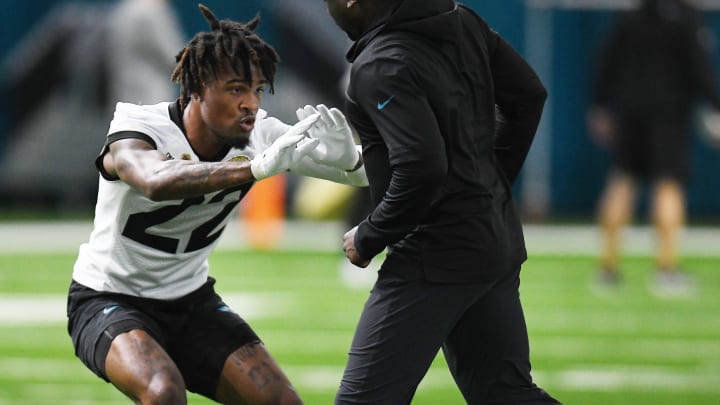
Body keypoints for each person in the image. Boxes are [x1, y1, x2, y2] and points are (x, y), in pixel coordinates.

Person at [66, 4, 366, 405]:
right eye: (236, 88)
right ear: (197, 87)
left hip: (191, 301)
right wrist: (253, 170)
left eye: (257, 90)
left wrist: (354, 161)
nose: (251, 104)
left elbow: (369, 174)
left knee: (281, 401)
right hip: (110, 298)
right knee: (162, 391)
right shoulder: (140, 124)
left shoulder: (262, 136)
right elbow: (155, 181)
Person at [324, 0, 561, 403]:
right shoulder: (461, 19)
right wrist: (490, 182)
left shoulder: (379, 63)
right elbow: (529, 95)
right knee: (505, 395)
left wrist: (369, 234)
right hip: (492, 235)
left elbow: (423, 166)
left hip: (433, 254)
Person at [587, 0, 720, 292]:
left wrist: (600, 105)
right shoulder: (686, 17)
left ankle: (607, 270)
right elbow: (699, 67)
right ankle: (667, 270)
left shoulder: (630, 15)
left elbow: (607, 60)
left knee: (622, 181)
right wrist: (714, 106)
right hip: (669, 115)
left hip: (631, 110)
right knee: (668, 185)